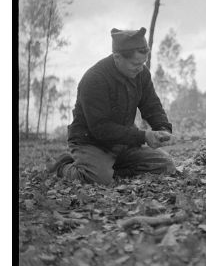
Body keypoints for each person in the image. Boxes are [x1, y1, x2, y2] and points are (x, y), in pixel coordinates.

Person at [46, 27, 176, 185]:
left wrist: (163, 128)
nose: (141, 68)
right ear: (117, 57)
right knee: (97, 179)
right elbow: (100, 128)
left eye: (143, 63)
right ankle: (64, 166)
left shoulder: (141, 73)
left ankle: (108, 168)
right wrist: (143, 136)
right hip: (92, 142)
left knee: (165, 165)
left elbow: (151, 104)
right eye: (135, 63)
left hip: (124, 142)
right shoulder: (94, 79)